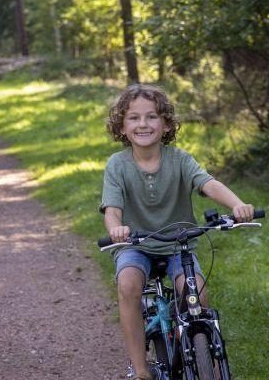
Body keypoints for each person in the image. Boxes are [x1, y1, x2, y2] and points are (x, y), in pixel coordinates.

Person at [99, 84, 254, 380]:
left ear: (166, 123)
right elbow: (112, 210)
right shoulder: (117, 165)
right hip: (136, 244)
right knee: (129, 285)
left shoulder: (180, 159)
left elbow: (208, 184)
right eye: (133, 118)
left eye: (152, 117)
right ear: (121, 125)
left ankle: (200, 352)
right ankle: (141, 368)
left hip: (179, 244)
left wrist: (238, 205)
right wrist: (116, 229)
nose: (143, 124)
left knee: (198, 292)